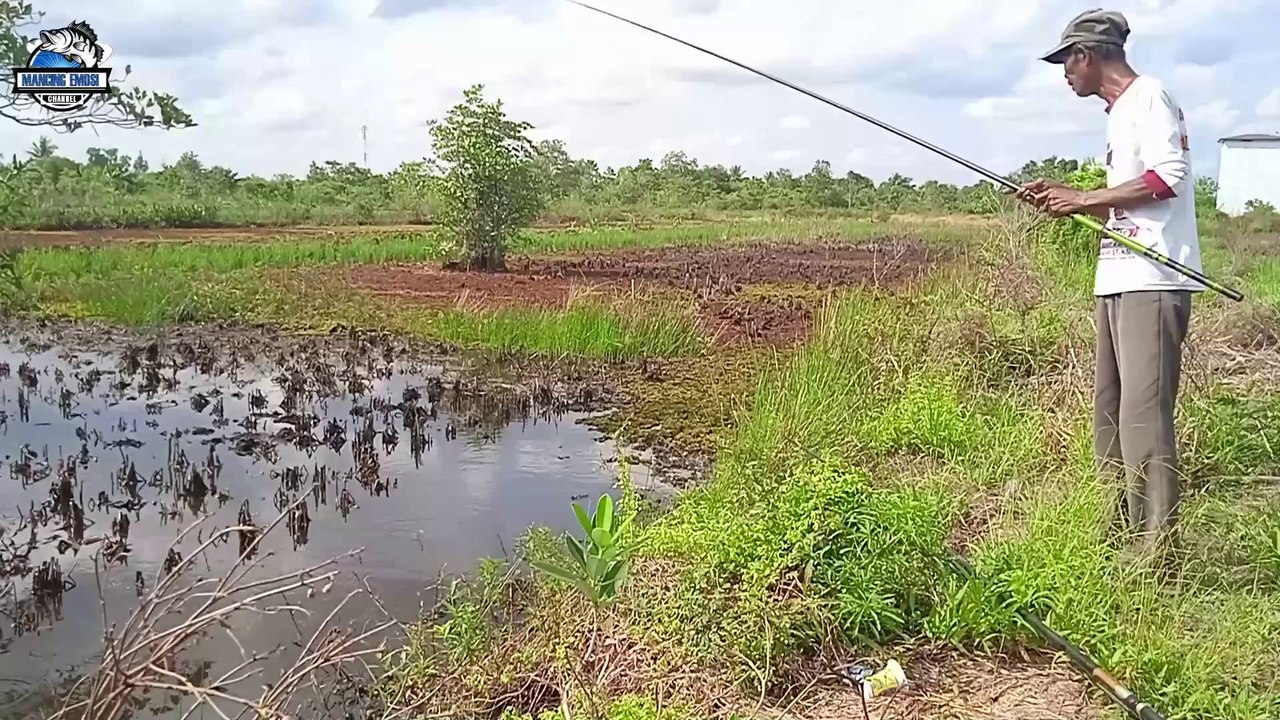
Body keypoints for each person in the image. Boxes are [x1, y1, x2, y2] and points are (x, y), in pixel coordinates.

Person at [1019, 8, 1205, 563]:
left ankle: (1154, 554)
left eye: (1066, 62)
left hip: (1154, 277)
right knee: (1111, 409)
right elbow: (1129, 201)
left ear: (1087, 56)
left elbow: (1168, 177)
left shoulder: (1149, 96)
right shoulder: (1119, 113)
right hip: (1119, 276)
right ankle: (1117, 532)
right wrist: (1068, 196)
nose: (1065, 75)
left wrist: (1084, 199)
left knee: (1144, 415)